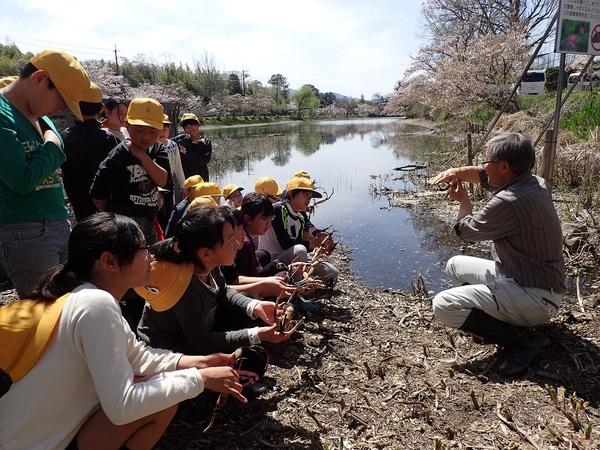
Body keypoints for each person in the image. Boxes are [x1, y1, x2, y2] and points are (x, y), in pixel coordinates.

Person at [0, 212, 246, 450]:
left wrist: (201, 363)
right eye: (142, 248)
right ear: (109, 262)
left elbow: (139, 357)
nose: (150, 255)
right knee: (159, 399)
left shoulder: (86, 298)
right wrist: (200, 379)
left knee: (159, 390)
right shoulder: (95, 304)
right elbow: (122, 407)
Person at [429, 132, 565, 376]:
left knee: (443, 305)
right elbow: (484, 177)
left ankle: (519, 343)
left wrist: (463, 202)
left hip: (535, 297)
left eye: (487, 161)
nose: (483, 167)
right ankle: (499, 322)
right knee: (454, 265)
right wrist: (457, 172)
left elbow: (466, 231)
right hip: (527, 279)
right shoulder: (536, 183)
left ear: (504, 166)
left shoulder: (508, 201)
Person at [136, 206, 291, 356]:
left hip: (198, 331)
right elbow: (201, 342)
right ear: (205, 253)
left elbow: (222, 291)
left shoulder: (208, 265)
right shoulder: (185, 287)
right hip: (169, 351)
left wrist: (255, 306)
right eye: (230, 239)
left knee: (250, 310)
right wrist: (258, 335)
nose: (237, 244)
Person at [0, 49, 91, 297]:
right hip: (25, 231)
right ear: (39, 79)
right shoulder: (3, 114)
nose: (60, 109)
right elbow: (22, 179)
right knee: (45, 313)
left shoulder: (43, 118)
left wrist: (54, 143)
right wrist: (52, 146)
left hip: (58, 223)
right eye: (61, 99)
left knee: (70, 303)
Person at [90, 97, 171, 246]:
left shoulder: (159, 150)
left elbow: (163, 180)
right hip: (125, 223)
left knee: (150, 260)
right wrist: (114, 219)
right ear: (127, 125)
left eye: (152, 131)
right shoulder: (119, 154)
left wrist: (140, 154)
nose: (145, 136)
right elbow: (96, 192)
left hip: (149, 218)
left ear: (160, 131)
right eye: (139, 130)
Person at [259, 177, 338, 283]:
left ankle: (296, 277)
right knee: (300, 250)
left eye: (310, 197)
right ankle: (297, 287)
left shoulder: (300, 215)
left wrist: (322, 245)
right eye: (305, 195)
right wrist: (315, 243)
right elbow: (286, 244)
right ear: (291, 194)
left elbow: (301, 237)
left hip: (292, 257)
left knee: (332, 273)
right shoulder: (278, 210)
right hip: (273, 261)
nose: (309, 199)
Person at [62, 82, 120, 221]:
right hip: (105, 206)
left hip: (78, 203)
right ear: (101, 108)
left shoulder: (65, 136)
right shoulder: (108, 138)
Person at [236, 192, 284, 277]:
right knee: (278, 266)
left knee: (264, 254)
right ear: (248, 219)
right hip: (245, 281)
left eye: (270, 218)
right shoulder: (245, 242)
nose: (269, 224)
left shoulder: (245, 233)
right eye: (264, 218)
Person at [157, 114, 185, 229]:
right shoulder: (152, 146)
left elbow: (178, 167)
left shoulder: (173, 145)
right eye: (159, 129)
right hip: (156, 186)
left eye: (165, 129)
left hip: (169, 185)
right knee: (158, 215)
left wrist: (184, 186)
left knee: (169, 212)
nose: (162, 132)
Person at [172, 113, 212, 181]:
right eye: (186, 126)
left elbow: (204, 160)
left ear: (198, 125)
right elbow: (168, 142)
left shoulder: (206, 142)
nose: (190, 128)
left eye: (192, 124)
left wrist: (187, 152)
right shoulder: (181, 140)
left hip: (202, 179)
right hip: (186, 180)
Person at [164, 174, 204, 238]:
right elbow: (169, 232)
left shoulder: (210, 203)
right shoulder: (180, 209)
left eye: (202, 187)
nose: (200, 190)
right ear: (187, 192)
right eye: (197, 188)